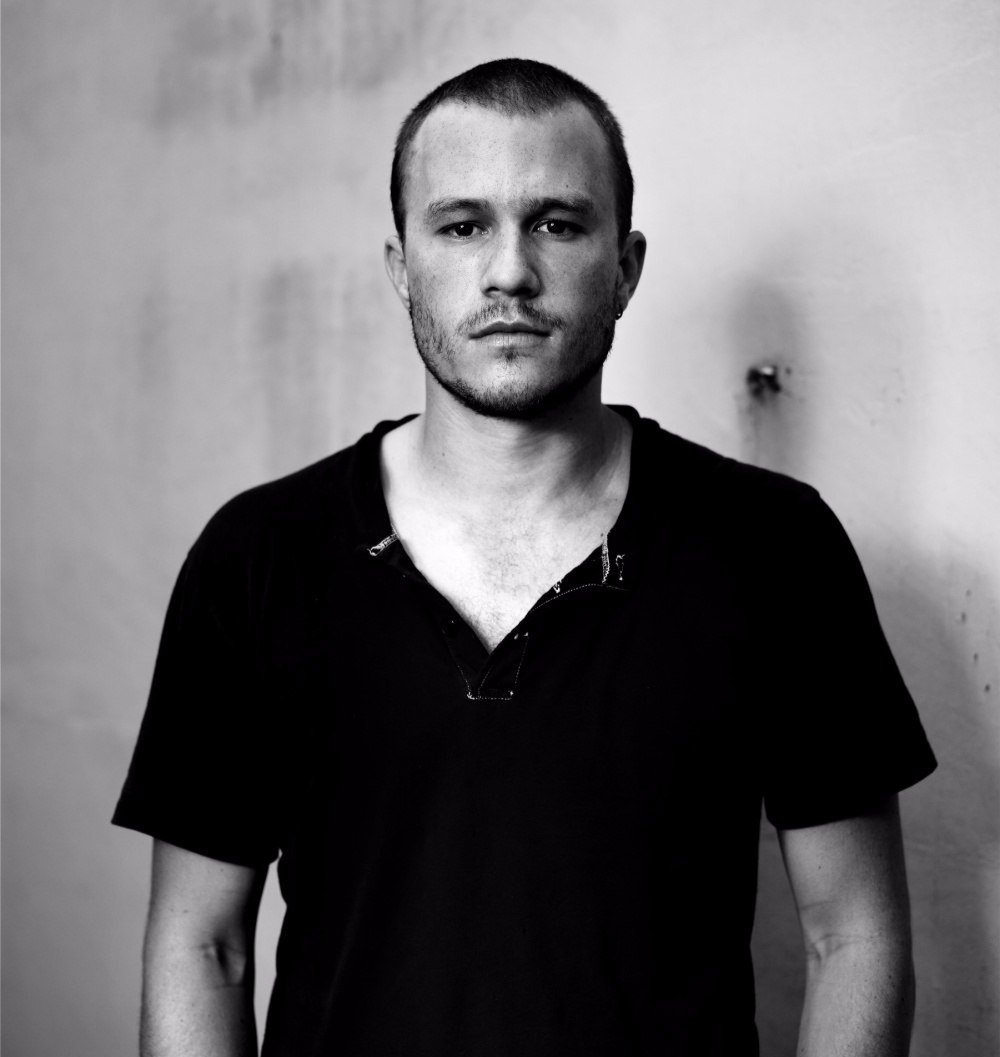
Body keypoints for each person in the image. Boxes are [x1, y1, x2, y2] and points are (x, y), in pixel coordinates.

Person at [113, 58, 937, 1057]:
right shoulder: (259, 556)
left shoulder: (773, 546)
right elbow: (203, 947)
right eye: (462, 226)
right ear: (400, 266)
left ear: (625, 266)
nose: (509, 271)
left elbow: (852, 935)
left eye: (556, 223)